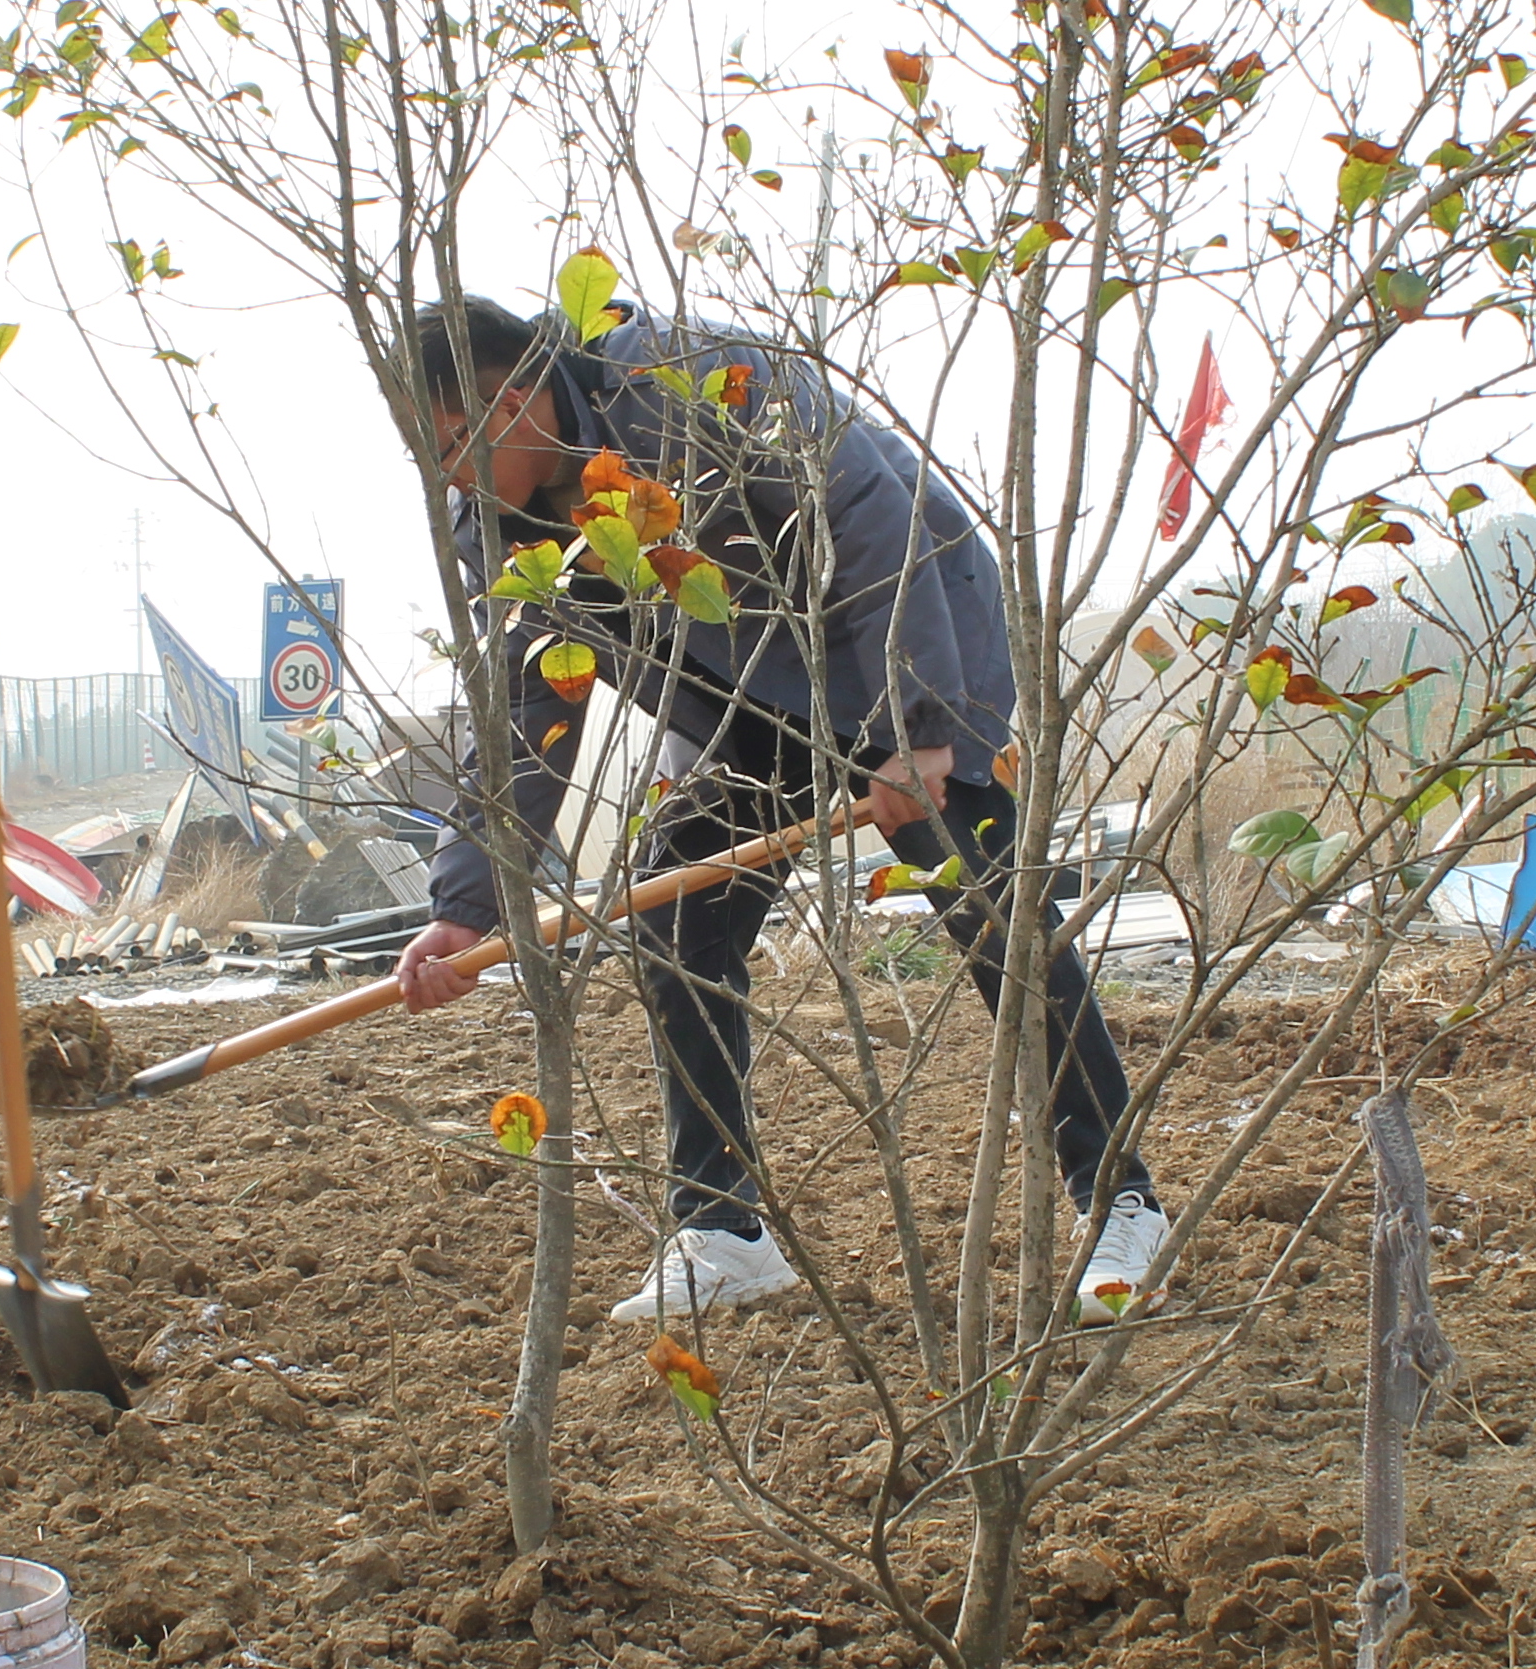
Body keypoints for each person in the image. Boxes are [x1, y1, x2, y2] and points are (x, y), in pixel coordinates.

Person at [385, 295, 1166, 1325]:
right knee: (680, 922)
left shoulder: (682, 378)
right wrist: (467, 903)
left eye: (452, 444)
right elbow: (530, 705)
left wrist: (913, 723)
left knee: (990, 907)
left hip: (902, 644)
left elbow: (871, 507)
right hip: (742, 699)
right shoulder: (493, 532)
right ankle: (724, 1231)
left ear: (516, 402)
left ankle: (1121, 1200)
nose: (446, 476)